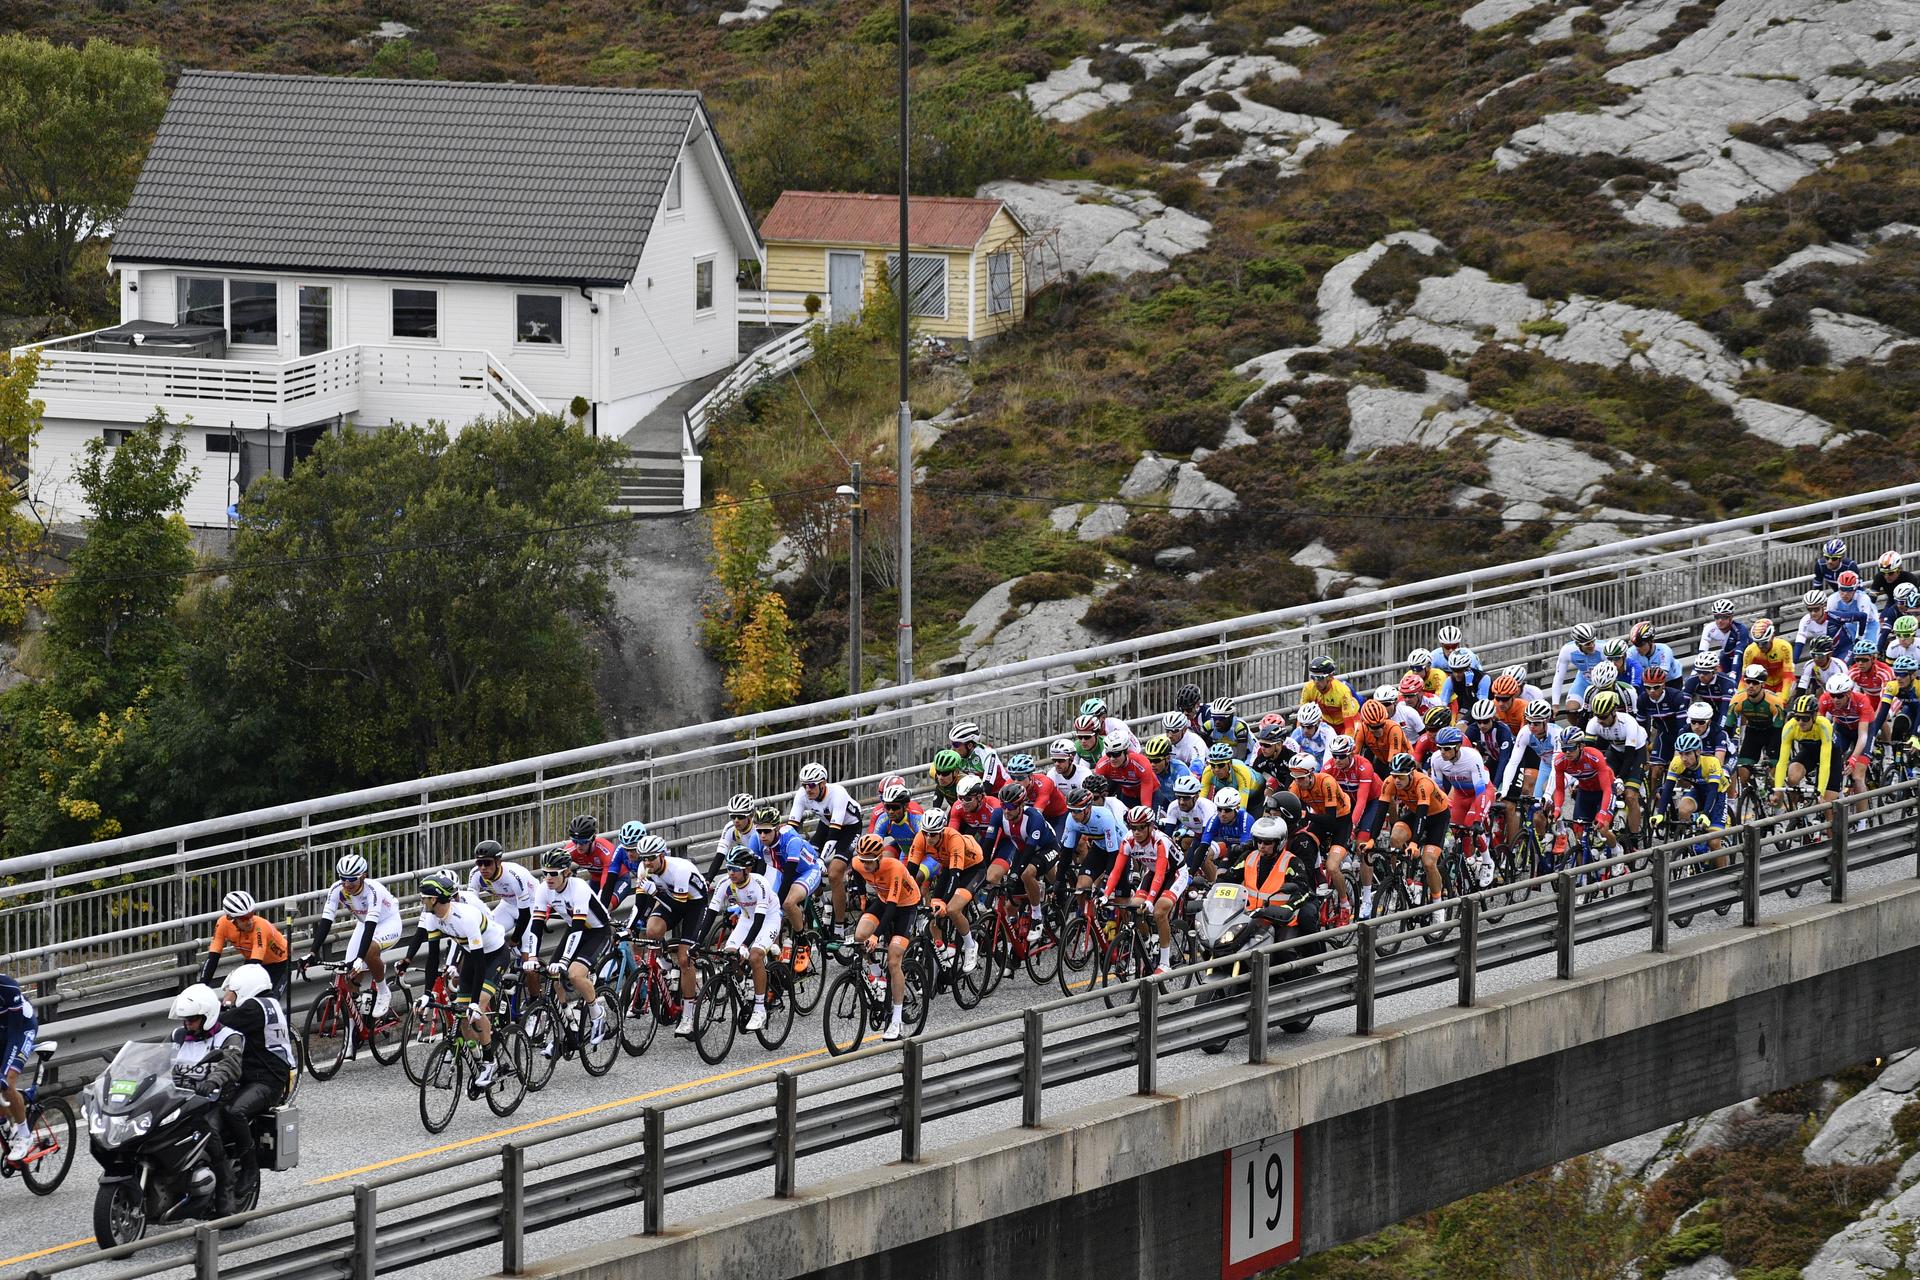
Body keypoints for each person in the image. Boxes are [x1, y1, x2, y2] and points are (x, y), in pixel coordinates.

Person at [399, 871, 511, 1075]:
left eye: (424, 898)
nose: (422, 901)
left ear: (434, 899)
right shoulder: (432, 917)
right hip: (471, 955)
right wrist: (427, 994)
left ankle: (490, 1061)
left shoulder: (465, 917)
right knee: (461, 1014)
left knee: (477, 1008)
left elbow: (479, 963)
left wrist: (475, 1002)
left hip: (494, 955)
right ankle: (477, 1059)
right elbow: (433, 958)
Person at [217, 963, 295, 1202]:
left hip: (268, 1081)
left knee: (235, 1111)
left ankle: (250, 1168)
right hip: (254, 1075)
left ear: (245, 987)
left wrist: (221, 1005)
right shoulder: (268, 1002)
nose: (228, 995)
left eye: (232, 991)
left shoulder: (254, 1008)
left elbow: (217, 1023)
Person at [167, 983, 244, 1214]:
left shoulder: (229, 1037)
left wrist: (212, 1081)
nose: (187, 1024)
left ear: (207, 1016)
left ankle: (225, 1187)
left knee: (206, 1131)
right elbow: (159, 1058)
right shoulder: (179, 1036)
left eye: (192, 1019)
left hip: (214, 1102)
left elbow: (230, 1064)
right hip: (179, 1101)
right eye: (185, 1019)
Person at [528, 850, 616, 1044]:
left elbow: (578, 927)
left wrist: (565, 961)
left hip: (597, 932)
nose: (548, 878)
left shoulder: (579, 887)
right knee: (553, 979)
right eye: (545, 873)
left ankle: (597, 1014)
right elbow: (536, 925)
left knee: (575, 975)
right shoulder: (543, 889)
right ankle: (568, 1023)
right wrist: (532, 956)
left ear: (566, 872)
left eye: (553, 873)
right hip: (575, 929)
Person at [302, 854, 403, 1019]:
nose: (347, 884)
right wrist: (312, 952)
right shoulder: (337, 889)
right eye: (343, 879)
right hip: (363, 924)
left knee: (369, 952)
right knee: (348, 974)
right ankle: (356, 1021)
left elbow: (371, 926)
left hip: (387, 922)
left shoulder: (373, 890)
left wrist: (360, 958)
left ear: (363, 876)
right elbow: (326, 921)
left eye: (352, 880)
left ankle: (383, 991)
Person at [630, 835, 708, 1036]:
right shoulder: (643, 868)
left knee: (684, 958)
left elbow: (679, 906)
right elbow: (640, 904)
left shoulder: (679, 870)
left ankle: (689, 1015)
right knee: (651, 930)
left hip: (694, 904)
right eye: (644, 858)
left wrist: (655, 893)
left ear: (662, 856)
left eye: (651, 858)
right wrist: (629, 927)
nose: (647, 862)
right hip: (669, 899)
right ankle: (664, 965)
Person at [847, 834, 922, 1041]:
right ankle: (876, 973)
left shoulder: (894, 867)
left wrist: (876, 935)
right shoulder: (859, 863)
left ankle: (896, 1021)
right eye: (863, 860)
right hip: (883, 899)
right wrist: (862, 895)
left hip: (905, 906)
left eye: (870, 861)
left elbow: (891, 908)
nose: (866, 865)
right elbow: (855, 870)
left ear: (880, 857)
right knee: (860, 935)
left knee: (894, 960)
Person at [699, 846, 781, 1034]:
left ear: (747, 869)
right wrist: (698, 941)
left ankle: (759, 1009)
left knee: (754, 956)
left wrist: (745, 945)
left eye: (735, 869)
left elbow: (759, 921)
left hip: (768, 918)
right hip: (746, 918)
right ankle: (744, 986)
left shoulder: (759, 884)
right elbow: (710, 914)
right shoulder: (725, 883)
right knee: (729, 955)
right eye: (729, 868)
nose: (731, 873)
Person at [1103, 805, 1186, 975]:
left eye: (1141, 827)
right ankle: (1147, 941)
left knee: (1159, 911)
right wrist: (1105, 895)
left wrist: (1150, 900)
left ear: (1151, 826)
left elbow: (1161, 874)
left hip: (1175, 873)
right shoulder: (1128, 840)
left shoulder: (1160, 841)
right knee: (1135, 907)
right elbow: (1116, 870)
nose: (1137, 832)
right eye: (1133, 827)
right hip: (1153, 872)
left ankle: (1164, 963)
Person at [907, 808, 985, 973]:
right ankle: (942, 953)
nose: (929, 838)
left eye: (933, 834)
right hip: (949, 868)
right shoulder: (921, 838)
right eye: (926, 833)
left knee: (952, 909)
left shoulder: (954, 838)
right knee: (934, 913)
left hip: (972, 869)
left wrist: (945, 902)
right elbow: (911, 871)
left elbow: (955, 877)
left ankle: (971, 945)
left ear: (942, 831)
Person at [986, 780, 1062, 941]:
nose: (1006, 810)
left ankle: (1037, 917)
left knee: (1027, 874)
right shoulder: (998, 815)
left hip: (1046, 847)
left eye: (1011, 807)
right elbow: (988, 846)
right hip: (1023, 850)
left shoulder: (1034, 817)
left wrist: (1015, 875)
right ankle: (1013, 942)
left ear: (1021, 805)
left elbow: (1029, 851)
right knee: (1010, 905)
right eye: (1003, 805)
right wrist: (982, 872)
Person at [791, 762, 864, 930]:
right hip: (826, 825)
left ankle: (839, 927)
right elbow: (792, 827)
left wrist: (822, 859)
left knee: (834, 874)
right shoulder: (802, 794)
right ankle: (823, 903)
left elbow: (834, 834)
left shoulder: (838, 793)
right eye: (804, 785)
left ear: (823, 784)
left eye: (811, 785)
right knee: (806, 865)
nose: (807, 789)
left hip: (849, 828)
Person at [199, 891, 290, 999]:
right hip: (253, 962)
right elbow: (213, 957)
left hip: (279, 964)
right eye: (244, 918)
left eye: (251, 914)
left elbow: (254, 965)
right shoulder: (223, 923)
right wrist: (201, 987)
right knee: (239, 999)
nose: (250, 921)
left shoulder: (260, 927)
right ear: (231, 918)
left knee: (269, 1001)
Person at [468, 841, 543, 956]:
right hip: (507, 905)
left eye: (487, 863)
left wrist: (514, 940)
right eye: (479, 863)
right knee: (485, 934)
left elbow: (525, 915)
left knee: (527, 956)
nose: (483, 868)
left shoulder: (513, 876)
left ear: (498, 862)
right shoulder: (475, 874)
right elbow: (470, 904)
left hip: (532, 905)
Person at [564, 815, 636, 919]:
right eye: (575, 841)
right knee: (585, 910)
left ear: (592, 838)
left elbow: (606, 886)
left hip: (618, 880)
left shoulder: (605, 850)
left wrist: (600, 906)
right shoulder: (571, 850)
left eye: (583, 842)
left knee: (604, 908)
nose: (578, 846)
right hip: (595, 881)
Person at [1774, 692, 1840, 805]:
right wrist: (1778, 789)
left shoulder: (1824, 726)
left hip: (1831, 755)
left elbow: (1825, 763)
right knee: (1792, 777)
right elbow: (1782, 762)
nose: (1800, 722)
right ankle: (1798, 808)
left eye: (1805, 718)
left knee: (1826, 805)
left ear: (1814, 716)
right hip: (1809, 753)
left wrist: (1820, 792)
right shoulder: (1790, 727)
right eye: (1797, 717)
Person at [2, 972, 37, 1162]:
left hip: (21, 1030)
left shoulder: (7, 986)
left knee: (6, 1082)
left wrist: (3, 1073)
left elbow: (14, 1035)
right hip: (2, 1030)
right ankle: (4, 1122)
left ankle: (24, 1134)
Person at [1551, 623, 1607, 713]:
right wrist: (1555, 705)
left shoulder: (1603, 648)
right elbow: (1558, 677)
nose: (1592, 645)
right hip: (1583, 682)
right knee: (1571, 709)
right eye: (1588, 644)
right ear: (1578, 644)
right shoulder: (1567, 650)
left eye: (1593, 641)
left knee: (1601, 710)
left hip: (1604, 684)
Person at [1093, 735, 1159, 809]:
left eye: (1116, 754)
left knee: (1147, 814)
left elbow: (1146, 802)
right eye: (1108, 754)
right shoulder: (1102, 765)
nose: (1112, 759)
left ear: (1126, 752)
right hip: (1128, 794)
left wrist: (1145, 811)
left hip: (1152, 792)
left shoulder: (1140, 763)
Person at [1301, 658, 1360, 736]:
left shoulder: (1342, 692)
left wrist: (1347, 740)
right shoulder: (1308, 688)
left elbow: (1349, 726)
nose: (1316, 682)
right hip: (1327, 723)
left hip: (1347, 721)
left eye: (1320, 678)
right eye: (1313, 677)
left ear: (1330, 677)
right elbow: (1301, 718)